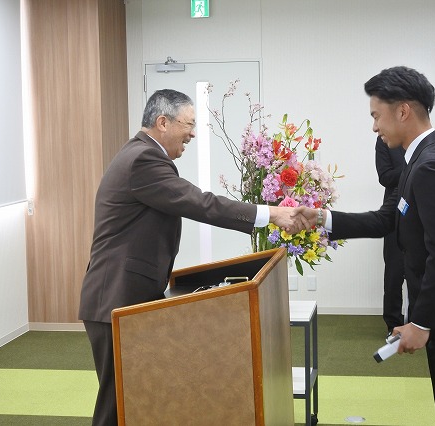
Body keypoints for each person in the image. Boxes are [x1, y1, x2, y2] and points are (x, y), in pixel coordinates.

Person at [294, 66, 435, 426]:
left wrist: (420, 323)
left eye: (376, 115)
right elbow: (387, 219)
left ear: (403, 111)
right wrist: (321, 217)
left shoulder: (432, 166)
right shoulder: (417, 161)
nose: (374, 127)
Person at [78, 89, 306, 426]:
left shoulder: (141, 155)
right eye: (189, 124)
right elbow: (201, 203)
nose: (193, 134)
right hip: (115, 298)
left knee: (134, 402)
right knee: (117, 406)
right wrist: (270, 213)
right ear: (162, 122)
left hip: (124, 297)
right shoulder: (143, 160)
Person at [375, 136, 407, 334]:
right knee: (394, 272)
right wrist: (410, 168)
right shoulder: (384, 140)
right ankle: (393, 324)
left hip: (423, 213)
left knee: (423, 271)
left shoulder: (425, 141)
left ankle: (422, 322)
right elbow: (385, 177)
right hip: (394, 213)